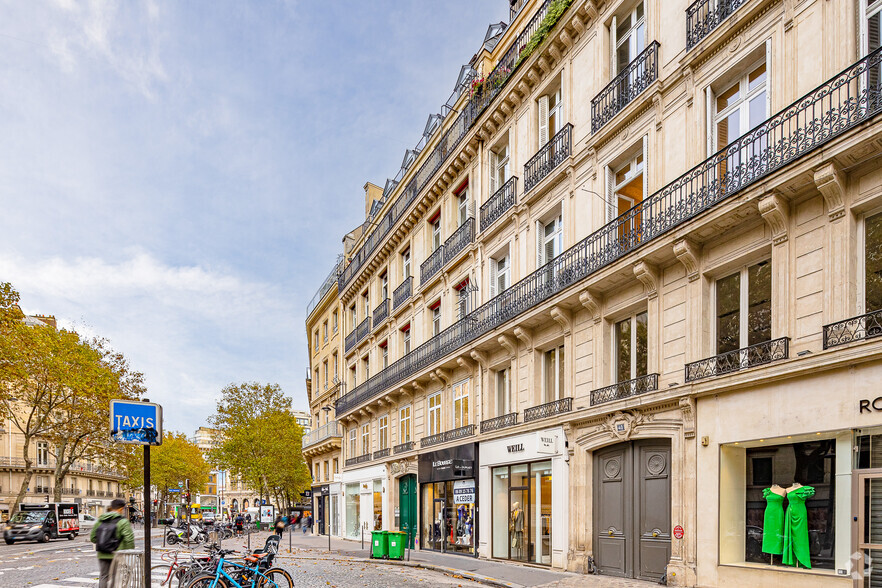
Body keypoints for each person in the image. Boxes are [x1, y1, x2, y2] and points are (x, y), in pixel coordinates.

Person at [91, 498, 135, 588]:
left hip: (102, 552)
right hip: (116, 553)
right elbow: (129, 539)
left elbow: (93, 537)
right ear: (121, 509)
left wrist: (103, 543)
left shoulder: (101, 520)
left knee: (103, 576)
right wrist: (129, 552)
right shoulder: (123, 521)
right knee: (115, 576)